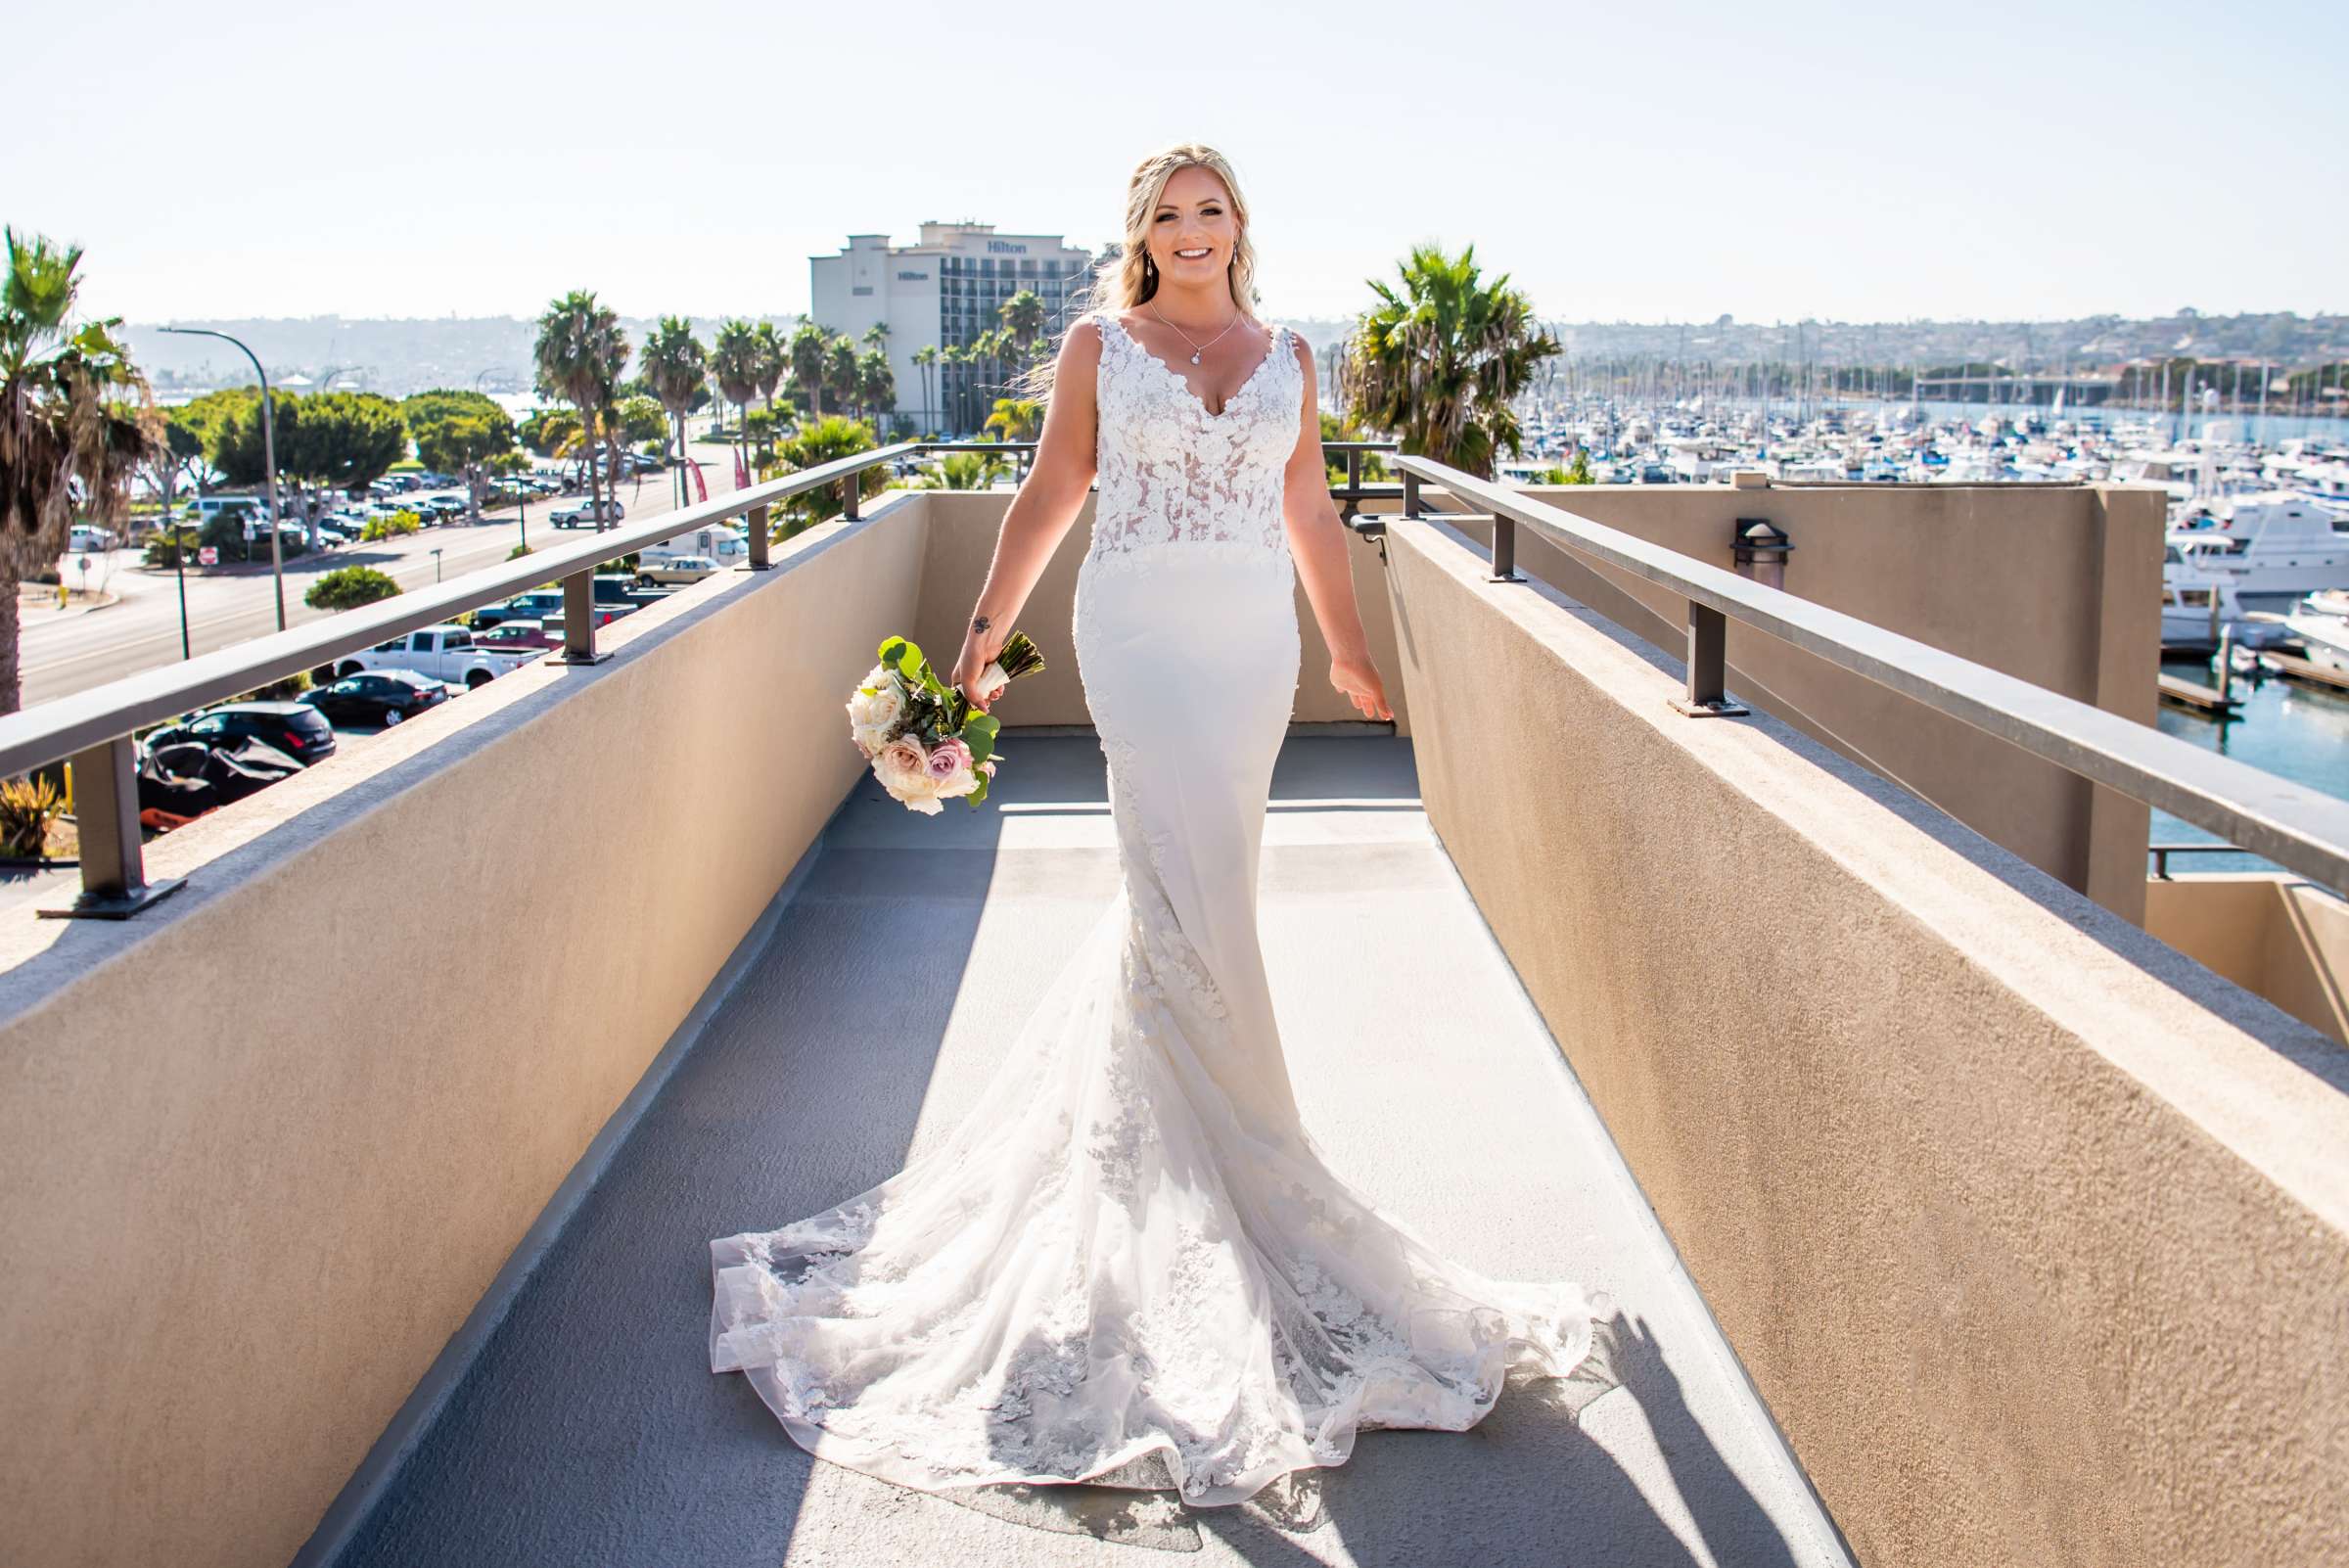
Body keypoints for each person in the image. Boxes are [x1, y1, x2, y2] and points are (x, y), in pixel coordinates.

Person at [709, 141, 1599, 1510]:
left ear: (1242, 224)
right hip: (1132, 633)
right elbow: (1049, 495)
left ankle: (1208, 1190)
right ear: (1143, 233)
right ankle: (1233, 1191)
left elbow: (1306, 506)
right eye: (1171, 214)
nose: (1194, 231)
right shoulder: (1095, 346)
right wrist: (979, 646)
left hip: (1247, 650)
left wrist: (1349, 653)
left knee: (1206, 903)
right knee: (1180, 901)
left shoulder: (1293, 354)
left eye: (1214, 209)